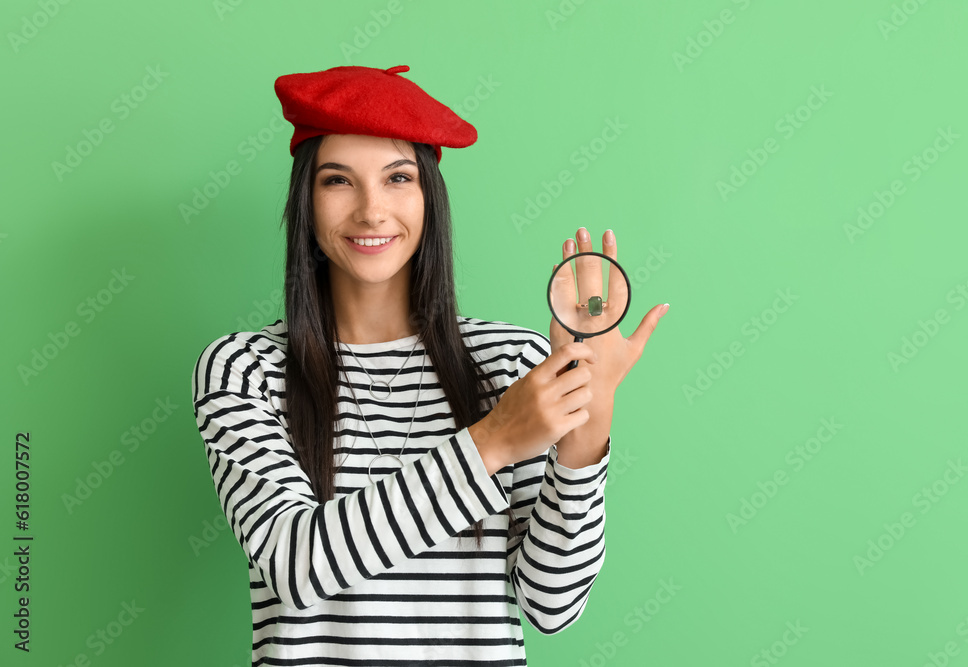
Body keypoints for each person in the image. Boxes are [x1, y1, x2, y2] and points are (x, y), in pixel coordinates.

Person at [190, 64, 668, 666]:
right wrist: (494, 440)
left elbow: (552, 606)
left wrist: (589, 423)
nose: (371, 210)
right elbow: (297, 566)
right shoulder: (243, 370)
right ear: (306, 202)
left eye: (398, 177)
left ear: (429, 199)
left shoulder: (507, 363)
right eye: (339, 181)